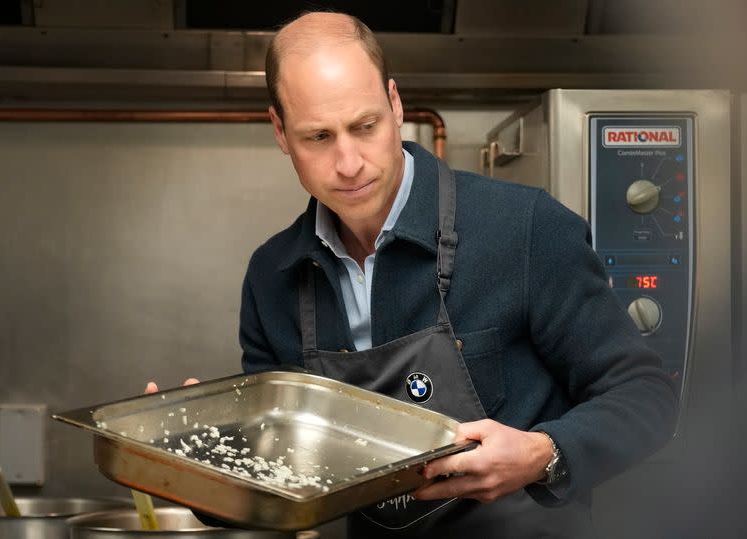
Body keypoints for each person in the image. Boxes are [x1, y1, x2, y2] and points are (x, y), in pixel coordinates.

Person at [196, 11, 678, 538]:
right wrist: (200, 463)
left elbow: (647, 395)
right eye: (318, 137)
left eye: (365, 126)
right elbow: (272, 486)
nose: (349, 161)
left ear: (395, 103)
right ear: (281, 133)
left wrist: (545, 453)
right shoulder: (273, 276)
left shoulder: (526, 228)